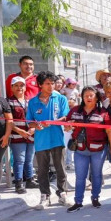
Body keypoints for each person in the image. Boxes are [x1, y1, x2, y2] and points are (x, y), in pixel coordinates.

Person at [64, 87, 111, 212]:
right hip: (80, 150)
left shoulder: (103, 112)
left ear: (96, 97)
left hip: (98, 149)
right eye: (86, 95)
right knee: (80, 176)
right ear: (82, 97)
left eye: (91, 95)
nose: (88, 98)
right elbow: (67, 127)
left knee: (96, 175)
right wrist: (68, 127)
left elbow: (109, 131)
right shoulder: (74, 111)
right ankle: (78, 202)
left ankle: (95, 198)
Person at [27, 71, 70, 210]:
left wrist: (52, 122)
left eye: (52, 83)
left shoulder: (60, 98)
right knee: (42, 170)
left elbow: (65, 117)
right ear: (40, 85)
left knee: (60, 168)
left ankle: (62, 193)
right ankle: (45, 196)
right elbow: (29, 122)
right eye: (47, 83)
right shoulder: (33, 102)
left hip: (58, 139)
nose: (51, 86)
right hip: (41, 141)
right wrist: (37, 125)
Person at [8, 76, 37, 194]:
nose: (19, 88)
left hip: (31, 135)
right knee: (19, 160)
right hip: (17, 136)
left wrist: (33, 130)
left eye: (22, 85)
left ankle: (30, 180)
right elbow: (7, 121)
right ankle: (19, 182)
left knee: (29, 160)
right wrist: (19, 131)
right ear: (12, 87)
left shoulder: (31, 101)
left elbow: (36, 117)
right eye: (16, 85)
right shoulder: (8, 102)